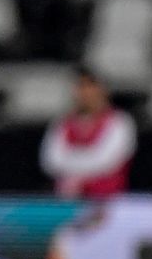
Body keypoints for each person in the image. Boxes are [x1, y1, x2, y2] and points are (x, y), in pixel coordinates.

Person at [40, 67, 136, 199]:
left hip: (109, 203)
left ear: (103, 90)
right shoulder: (62, 123)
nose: (85, 93)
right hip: (68, 203)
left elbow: (107, 161)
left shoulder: (120, 121)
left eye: (90, 86)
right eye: (81, 87)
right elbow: (51, 161)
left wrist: (75, 175)